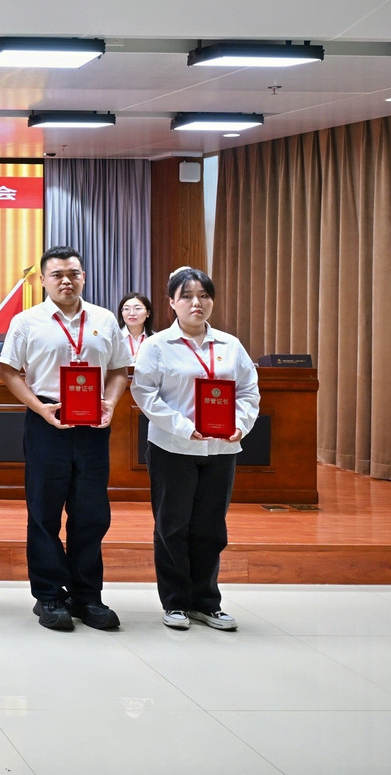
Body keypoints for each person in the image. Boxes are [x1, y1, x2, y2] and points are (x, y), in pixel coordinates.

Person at [0, 246, 131, 632]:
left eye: (73, 273)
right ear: (43, 280)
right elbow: (8, 371)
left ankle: (87, 595)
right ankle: (49, 596)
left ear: (84, 276)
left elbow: (119, 370)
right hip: (47, 421)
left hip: (93, 426)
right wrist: (39, 409)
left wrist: (110, 403)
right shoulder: (27, 321)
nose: (66, 281)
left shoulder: (104, 320)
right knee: (44, 512)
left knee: (91, 513)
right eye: (57, 275)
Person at [131, 267, 260, 632]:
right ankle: (175, 602)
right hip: (173, 447)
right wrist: (185, 427)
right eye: (186, 296)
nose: (196, 303)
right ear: (171, 303)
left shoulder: (230, 345)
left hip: (221, 449)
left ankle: (206, 602)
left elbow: (249, 391)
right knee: (172, 526)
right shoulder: (157, 346)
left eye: (203, 295)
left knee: (211, 527)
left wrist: (240, 424)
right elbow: (145, 393)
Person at [118, 291, 153, 366]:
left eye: (137, 308)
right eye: (126, 309)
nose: (132, 313)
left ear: (148, 313)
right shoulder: (115, 339)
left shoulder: (156, 339)